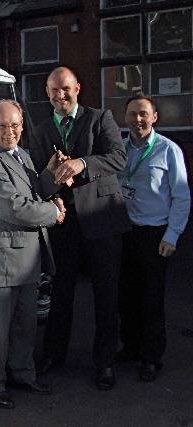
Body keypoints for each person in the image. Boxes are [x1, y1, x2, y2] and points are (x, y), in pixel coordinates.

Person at [30, 66, 131, 390]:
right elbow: (39, 180)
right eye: (54, 91)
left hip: (102, 219)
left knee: (106, 293)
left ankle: (105, 362)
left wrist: (82, 164)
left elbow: (119, 157)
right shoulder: (41, 130)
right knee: (60, 293)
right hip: (64, 223)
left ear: (78, 88)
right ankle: (53, 354)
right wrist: (53, 177)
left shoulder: (100, 118)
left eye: (66, 89)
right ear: (48, 94)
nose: (61, 96)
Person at [0, 99, 65, 409]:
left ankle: (23, 374)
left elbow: (35, 190)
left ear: (22, 127)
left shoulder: (20, 154)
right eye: (1, 125)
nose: (8, 131)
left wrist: (53, 174)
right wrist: (53, 212)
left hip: (25, 259)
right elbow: (14, 207)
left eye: (14, 125)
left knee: (25, 325)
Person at [116, 94, 190, 382]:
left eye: (143, 114)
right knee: (126, 296)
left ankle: (151, 357)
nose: (138, 119)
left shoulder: (168, 150)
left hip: (154, 233)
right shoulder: (119, 149)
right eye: (132, 114)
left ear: (154, 117)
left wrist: (172, 235)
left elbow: (181, 196)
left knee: (151, 298)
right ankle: (131, 347)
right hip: (125, 232)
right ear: (125, 118)